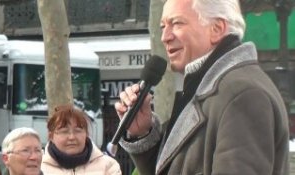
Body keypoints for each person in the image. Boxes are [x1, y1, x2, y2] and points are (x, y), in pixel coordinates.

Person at [115, 0, 290, 174]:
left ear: (216, 29)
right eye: (162, 27)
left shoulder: (243, 95)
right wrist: (143, 133)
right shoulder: (208, 89)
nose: (165, 37)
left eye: (176, 23)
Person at [41, 104, 122, 175]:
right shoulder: (39, 169)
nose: (72, 137)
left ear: (86, 134)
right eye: (64, 132)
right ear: (51, 136)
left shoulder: (108, 166)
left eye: (78, 131)